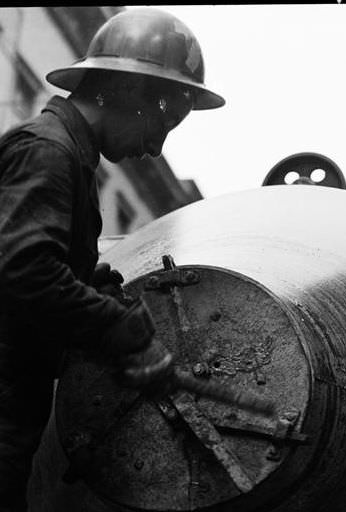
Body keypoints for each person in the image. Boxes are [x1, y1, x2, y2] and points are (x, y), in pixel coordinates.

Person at [0, 8, 224, 510]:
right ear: (125, 93)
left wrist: (97, 287)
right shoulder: (48, 152)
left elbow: (43, 265)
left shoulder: (70, 157)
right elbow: (25, 271)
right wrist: (119, 331)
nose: (154, 147)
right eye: (162, 123)